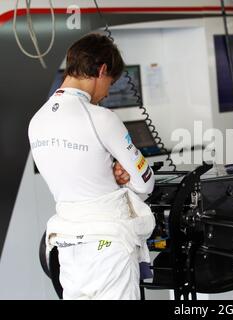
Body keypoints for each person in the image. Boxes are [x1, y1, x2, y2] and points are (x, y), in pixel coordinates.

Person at [28, 33, 155, 300]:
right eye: (110, 82)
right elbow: (145, 183)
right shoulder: (102, 118)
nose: (107, 92)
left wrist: (109, 175)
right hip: (108, 249)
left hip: (67, 248)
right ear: (102, 70)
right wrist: (124, 177)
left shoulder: (36, 121)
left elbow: (79, 175)